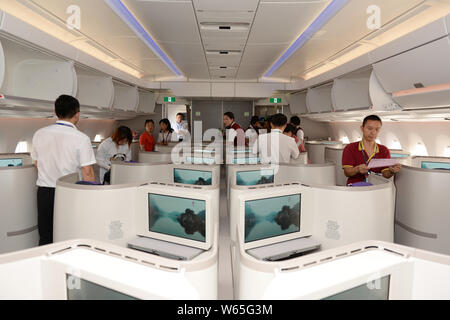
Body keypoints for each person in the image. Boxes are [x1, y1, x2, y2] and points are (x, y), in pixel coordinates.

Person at [31, 95, 96, 245]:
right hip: (69, 192)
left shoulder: (39, 134)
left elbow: (36, 163)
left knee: (46, 235)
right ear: (77, 114)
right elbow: (87, 172)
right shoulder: (81, 138)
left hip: (44, 192)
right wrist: (90, 198)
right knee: (68, 235)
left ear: (55, 112)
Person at [342, 115, 401, 186]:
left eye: (377, 129)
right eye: (370, 128)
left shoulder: (383, 150)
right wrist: (357, 169)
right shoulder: (350, 148)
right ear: (362, 128)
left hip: (375, 187)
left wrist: (391, 171)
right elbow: (347, 172)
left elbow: (385, 174)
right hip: (355, 186)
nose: (373, 132)